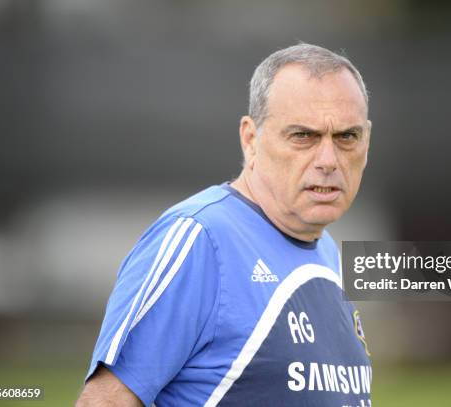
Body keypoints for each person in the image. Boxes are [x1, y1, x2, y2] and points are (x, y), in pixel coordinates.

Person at [76, 43, 373, 407]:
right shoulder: (199, 239)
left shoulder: (325, 251)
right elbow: (104, 401)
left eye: (347, 137)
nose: (328, 159)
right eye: (303, 136)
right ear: (251, 139)